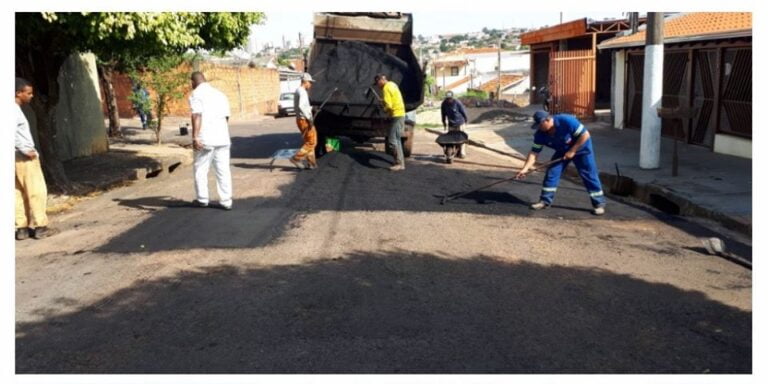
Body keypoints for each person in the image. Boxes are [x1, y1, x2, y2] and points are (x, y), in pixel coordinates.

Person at [515, 110, 606, 216]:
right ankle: (545, 201)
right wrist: (525, 169)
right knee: (552, 172)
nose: (539, 128)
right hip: (563, 151)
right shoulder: (540, 135)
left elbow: (585, 135)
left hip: (582, 149)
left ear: (547, 120)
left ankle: (599, 204)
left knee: (588, 174)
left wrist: (572, 151)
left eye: (540, 125)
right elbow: (534, 153)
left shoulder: (566, 121)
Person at [189, 72, 233, 210]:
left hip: (205, 139)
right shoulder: (220, 94)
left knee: (201, 168)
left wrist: (195, 136)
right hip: (222, 138)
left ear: (193, 82)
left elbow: (196, 115)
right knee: (223, 170)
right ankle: (226, 201)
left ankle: (202, 199)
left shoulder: (196, 94)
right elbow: (226, 117)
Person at [15, 77, 52, 240]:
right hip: (23, 157)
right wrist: (25, 150)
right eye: (28, 93)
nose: (31, 96)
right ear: (18, 93)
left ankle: (21, 228)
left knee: (16, 193)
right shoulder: (12, 111)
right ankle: (40, 226)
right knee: (36, 190)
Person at [374, 74, 406, 171]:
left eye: (377, 83)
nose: (378, 86)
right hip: (401, 114)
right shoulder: (392, 84)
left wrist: (384, 109)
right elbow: (393, 99)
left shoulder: (385, 88)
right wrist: (383, 100)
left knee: (392, 141)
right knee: (397, 139)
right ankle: (401, 163)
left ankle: (399, 163)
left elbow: (389, 105)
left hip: (396, 115)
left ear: (381, 80)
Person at [290, 73, 318, 169]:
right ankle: (296, 158)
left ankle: (311, 163)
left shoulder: (298, 91)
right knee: (312, 142)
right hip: (304, 120)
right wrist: (309, 118)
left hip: (301, 119)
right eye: (310, 82)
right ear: (305, 81)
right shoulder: (302, 92)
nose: (310, 84)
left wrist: (311, 108)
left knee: (309, 141)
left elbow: (303, 106)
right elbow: (301, 106)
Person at [440, 91, 469, 158]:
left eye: (450, 99)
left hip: (460, 123)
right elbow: (443, 114)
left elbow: (463, 111)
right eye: (447, 99)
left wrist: (466, 119)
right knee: (452, 139)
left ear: (452, 98)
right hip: (451, 124)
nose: (449, 100)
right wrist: (444, 122)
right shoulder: (444, 104)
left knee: (461, 139)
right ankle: (453, 151)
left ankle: (462, 153)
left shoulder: (457, 103)